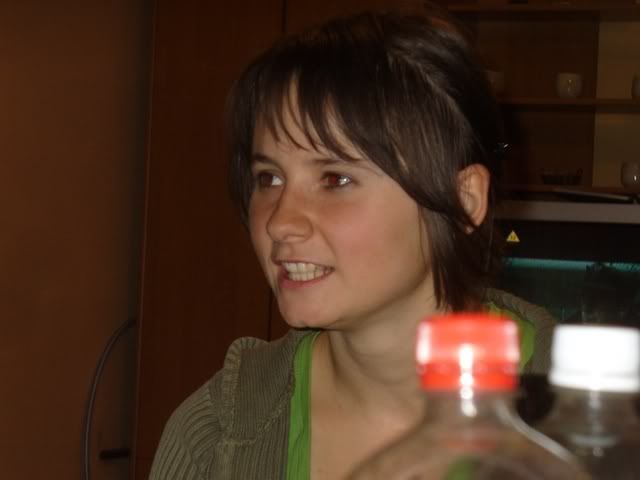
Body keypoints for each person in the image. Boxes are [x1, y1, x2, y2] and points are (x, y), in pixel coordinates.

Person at [150, 5, 543, 479]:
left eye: (335, 179)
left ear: (463, 201)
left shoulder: (593, 431)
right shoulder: (212, 438)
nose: (280, 223)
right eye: (269, 178)